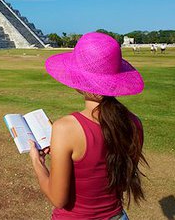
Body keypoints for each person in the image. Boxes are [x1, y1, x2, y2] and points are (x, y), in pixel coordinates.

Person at [29, 32, 147, 220]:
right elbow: (121, 183)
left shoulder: (65, 128)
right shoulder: (134, 124)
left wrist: (37, 161)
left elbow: (58, 199)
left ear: (78, 82)